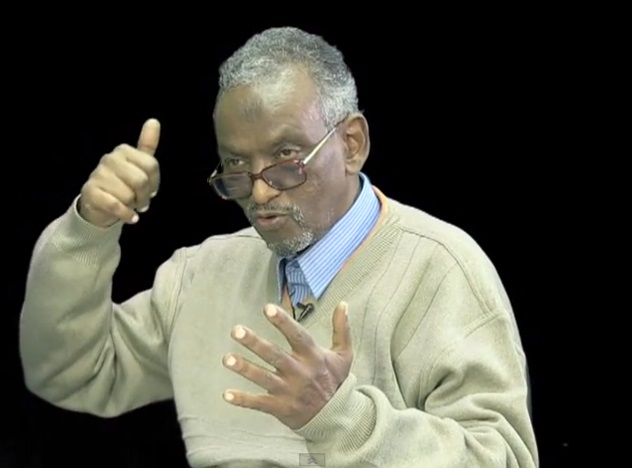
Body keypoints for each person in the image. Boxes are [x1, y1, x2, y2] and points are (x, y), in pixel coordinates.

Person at [19, 27, 539, 467]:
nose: (261, 192)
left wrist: (341, 418)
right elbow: (71, 373)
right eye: (236, 167)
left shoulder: (440, 271)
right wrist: (88, 230)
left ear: (351, 144)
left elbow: (503, 460)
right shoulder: (201, 276)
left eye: (286, 158)